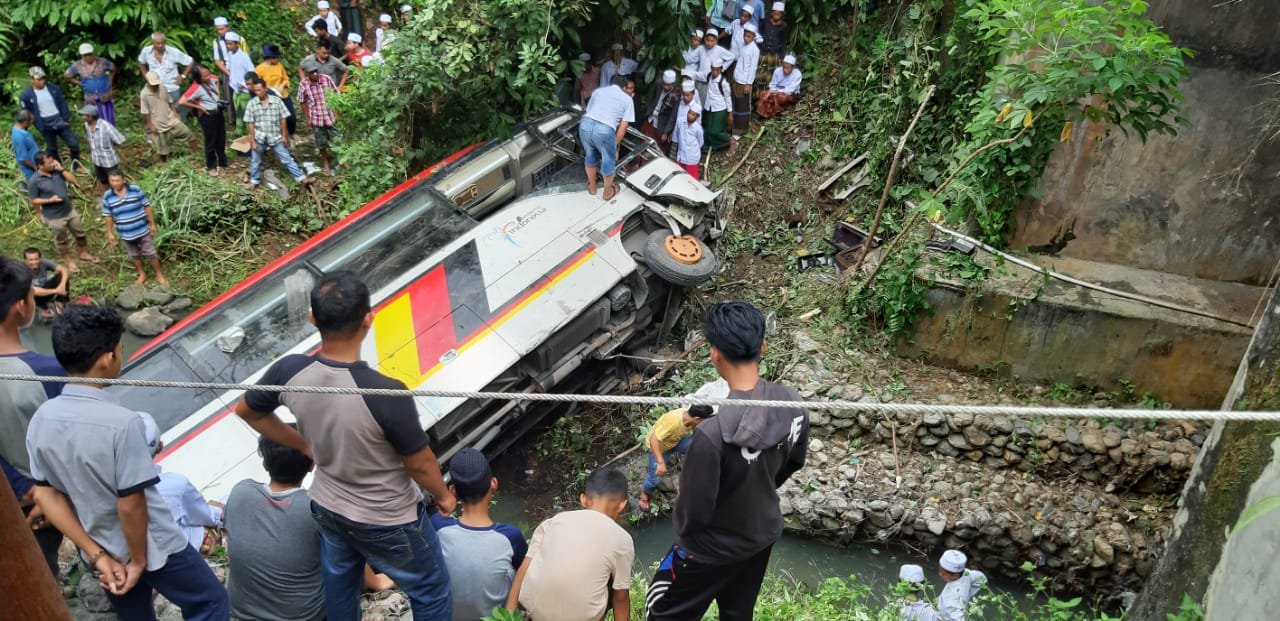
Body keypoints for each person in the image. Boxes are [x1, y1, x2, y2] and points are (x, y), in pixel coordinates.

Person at [234, 270, 455, 620]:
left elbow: (247, 410)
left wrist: (305, 445)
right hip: (388, 517)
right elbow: (419, 464)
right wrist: (443, 496)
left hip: (329, 505)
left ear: (312, 318)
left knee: (340, 583)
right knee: (432, 591)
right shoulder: (386, 391)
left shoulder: (290, 371)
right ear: (368, 318)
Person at [26, 305, 230, 620]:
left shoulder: (42, 419)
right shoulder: (122, 423)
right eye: (121, 349)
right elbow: (131, 504)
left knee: (134, 614)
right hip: (153, 545)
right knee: (211, 601)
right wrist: (138, 561)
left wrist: (98, 556)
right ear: (108, 358)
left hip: (100, 545)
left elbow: (46, 494)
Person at [645, 301, 810, 620]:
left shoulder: (711, 434)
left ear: (714, 353)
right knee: (736, 612)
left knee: (661, 611)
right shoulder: (792, 403)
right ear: (762, 346)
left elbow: (695, 511)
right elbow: (793, 462)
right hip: (760, 535)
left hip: (708, 550)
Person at [0, 256, 67, 576]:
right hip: (43, 504)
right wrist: (37, 491)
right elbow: (71, 447)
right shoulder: (45, 372)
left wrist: (22, 486)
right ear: (19, 307)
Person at [223, 430, 325, 621]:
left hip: (242, 612)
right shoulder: (314, 507)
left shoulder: (241, 492)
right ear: (312, 464)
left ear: (264, 463)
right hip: (304, 616)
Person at [507, 468, 633, 621]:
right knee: (615, 582)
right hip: (583, 617)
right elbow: (621, 598)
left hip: (536, 613)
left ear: (583, 499)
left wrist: (508, 615)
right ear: (622, 505)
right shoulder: (622, 539)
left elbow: (523, 570)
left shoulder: (553, 521)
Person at [431, 448, 528, 621]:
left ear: (453, 491)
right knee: (521, 564)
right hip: (493, 616)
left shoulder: (438, 525)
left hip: (450, 615)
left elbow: (439, 517)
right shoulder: (510, 536)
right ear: (494, 483)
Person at [135, 412, 219, 553]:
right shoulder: (175, 485)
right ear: (159, 447)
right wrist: (219, 513)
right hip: (184, 551)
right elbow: (206, 517)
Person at [28, 152, 98, 273]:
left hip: (69, 210)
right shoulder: (34, 181)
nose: (52, 164)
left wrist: (62, 170)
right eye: (49, 163)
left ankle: (83, 253)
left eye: (52, 161)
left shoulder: (57, 171)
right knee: (61, 239)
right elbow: (33, 200)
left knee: (80, 233)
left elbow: (73, 180)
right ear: (40, 166)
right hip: (54, 216)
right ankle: (69, 261)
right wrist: (49, 201)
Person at [639, 401, 713, 511]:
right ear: (697, 418)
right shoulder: (673, 421)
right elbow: (653, 440)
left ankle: (694, 470)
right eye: (703, 420)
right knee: (655, 479)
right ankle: (644, 494)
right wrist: (660, 463)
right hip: (660, 448)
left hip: (675, 442)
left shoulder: (689, 419)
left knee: (698, 446)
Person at [243, 79, 313, 190]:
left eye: (259, 90)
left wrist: (284, 136)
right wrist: (252, 141)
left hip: (275, 136)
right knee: (255, 160)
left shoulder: (277, 101)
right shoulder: (252, 104)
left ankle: (301, 178)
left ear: (265, 89)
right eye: (255, 91)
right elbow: (250, 123)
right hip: (259, 137)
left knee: (286, 158)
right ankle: (254, 181)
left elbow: (283, 119)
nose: (257, 93)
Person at [102, 169, 168, 286]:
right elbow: (108, 215)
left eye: (117, 181)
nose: (115, 183)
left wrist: (152, 224)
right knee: (134, 254)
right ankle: (142, 274)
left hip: (142, 229)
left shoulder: (135, 189)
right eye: (112, 181)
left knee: (151, 252)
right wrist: (110, 233)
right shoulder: (107, 196)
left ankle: (159, 274)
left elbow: (147, 206)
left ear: (124, 180)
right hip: (125, 233)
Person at [579, 75, 636, 201]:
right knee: (608, 160)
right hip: (604, 129)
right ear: (625, 87)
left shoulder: (598, 91)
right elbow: (623, 126)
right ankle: (607, 193)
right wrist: (614, 145)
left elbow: (590, 111)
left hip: (585, 124)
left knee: (590, 155)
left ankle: (592, 188)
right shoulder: (627, 99)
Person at [19, 67, 81, 169]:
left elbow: (62, 103)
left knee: (74, 144)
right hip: (45, 124)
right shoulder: (26, 95)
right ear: (32, 79)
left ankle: (76, 165)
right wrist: (37, 124)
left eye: (43, 79)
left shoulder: (53, 88)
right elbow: (26, 112)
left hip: (59, 121)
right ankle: (58, 167)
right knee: (52, 149)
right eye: (39, 79)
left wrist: (65, 119)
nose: (42, 82)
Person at [179, 63, 230, 175]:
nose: (208, 77)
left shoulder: (211, 78)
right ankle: (211, 166)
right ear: (198, 77)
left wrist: (216, 92)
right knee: (210, 141)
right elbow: (181, 101)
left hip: (218, 112)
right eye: (205, 76)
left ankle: (222, 161)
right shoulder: (195, 87)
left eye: (208, 74)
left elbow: (216, 78)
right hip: (208, 115)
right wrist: (198, 107)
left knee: (221, 137)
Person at [297, 60, 341, 176]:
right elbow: (302, 102)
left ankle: (342, 160)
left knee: (337, 139)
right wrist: (307, 118)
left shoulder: (326, 79)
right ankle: (325, 162)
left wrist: (336, 113)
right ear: (307, 74)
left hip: (330, 115)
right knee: (321, 143)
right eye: (312, 73)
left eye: (316, 71)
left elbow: (336, 95)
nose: (315, 74)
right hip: (316, 118)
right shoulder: (304, 84)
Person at [137, 32, 194, 120]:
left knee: (177, 109)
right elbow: (141, 62)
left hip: (172, 86)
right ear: (153, 43)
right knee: (159, 111)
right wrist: (146, 76)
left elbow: (190, 62)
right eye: (158, 43)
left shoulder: (173, 52)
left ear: (165, 42)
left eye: (162, 43)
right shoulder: (146, 51)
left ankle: (181, 127)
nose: (160, 45)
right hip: (156, 87)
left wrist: (183, 76)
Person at [140, 71, 193, 161]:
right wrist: (151, 125)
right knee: (162, 148)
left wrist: (175, 113)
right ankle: (164, 163)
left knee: (189, 134)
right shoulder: (144, 94)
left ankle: (194, 155)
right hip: (158, 123)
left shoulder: (162, 87)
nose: (155, 86)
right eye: (153, 84)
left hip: (171, 118)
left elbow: (170, 101)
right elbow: (146, 112)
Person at [65, 43, 117, 124]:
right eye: (85, 55)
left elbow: (113, 68)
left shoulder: (102, 61)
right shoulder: (78, 65)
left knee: (108, 119)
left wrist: (109, 81)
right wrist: (80, 83)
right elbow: (67, 75)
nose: (88, 57)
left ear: (93, 53)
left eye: (90, 54)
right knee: (93, 119)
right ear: (82, 56)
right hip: (90, 98)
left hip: (105, 96)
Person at [80, 104, 125, 195]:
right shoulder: (86, 126)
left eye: (85, 115)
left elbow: (120, 140)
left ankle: (119, 197)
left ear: (91, 116)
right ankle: (106, 197)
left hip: (109, 161)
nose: (83, 117)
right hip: (97, 160)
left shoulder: (105, 126)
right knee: (102, 180)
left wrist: (112, 149)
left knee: (115, 181)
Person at [729, 24, 760, 154]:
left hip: (744, 82)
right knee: (735, 103)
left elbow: (752, 68)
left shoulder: (754, 50)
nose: (746, 38)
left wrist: (748, 83)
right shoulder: (744, 47)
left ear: (753, 37)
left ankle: (741, 129)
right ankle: (734, 126)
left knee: (742, 106)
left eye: (749, 36)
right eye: (745, 35)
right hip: (737, 79)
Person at [255, 45, 296, 138]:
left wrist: (282, 86)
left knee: (291, 117)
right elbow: (258, 85)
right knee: (276, 118)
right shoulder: (259, 69)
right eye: (277, 57)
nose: (279, 59)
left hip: (283, 94)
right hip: (271, 97)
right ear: (270, 58)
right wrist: (270, 88)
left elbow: (286, 79)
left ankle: (292, 133)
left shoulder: (279, 66)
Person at [938, 549, 987, 621]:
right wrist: (970, 593)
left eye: (943, 573)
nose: (939, 574)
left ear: (955, 575)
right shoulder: (967, 573)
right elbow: (983, 579)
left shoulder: (954, 599)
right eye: (939, 570)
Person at [222, 32, 257, 132]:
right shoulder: (230, 54)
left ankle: (249, 132)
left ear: (237, 44)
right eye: (227, 44)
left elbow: (251, 71)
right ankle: (240, 131)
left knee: (246, 111)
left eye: (230, 44)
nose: (228, 46)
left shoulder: (244, 56)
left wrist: (243, 83)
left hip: (244, 89)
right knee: (239, 111)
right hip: (235, 88)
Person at [23, 248, 71, 318]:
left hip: (45, 290)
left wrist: (62, 286)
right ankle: (41, 307)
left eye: (36, 259)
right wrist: (56, 290)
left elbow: (64, 270)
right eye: (31, 260)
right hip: (32, 298)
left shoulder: (44, 262)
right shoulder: (21, 271)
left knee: (62, 276)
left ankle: (59, 301)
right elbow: (33, 291)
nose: (34, 262)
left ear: (40, 258)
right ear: (26, 261)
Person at [642, 70, 681, 155]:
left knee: (659, 150)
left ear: (672, 84)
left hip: (661, 126)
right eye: (664, 84)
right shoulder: (658, 86)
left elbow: (673, 116)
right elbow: (652, 99)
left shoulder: (676, 94)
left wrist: (666, 132)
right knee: (645, 145)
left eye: (668, 85)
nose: (665, 87)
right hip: (651, 119)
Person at [703, 57, 733, 151]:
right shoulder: (708, 76)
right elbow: (697, 75)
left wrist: (730, 113)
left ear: (720, 70)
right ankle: (710, 146)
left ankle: (730, 141)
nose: (714, 72)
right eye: (713, 69)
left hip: (720, 108)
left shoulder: (723, 83)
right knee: (707, 130)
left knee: (715, 131)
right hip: (709, 107)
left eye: (717, 70)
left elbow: (728, 98)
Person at [674, 102, 706, 181]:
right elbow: (677, 134)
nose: (690, 115)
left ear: (697, 116)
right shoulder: (680, 121)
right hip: (681, 155)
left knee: (692, 180)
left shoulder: (698, 129)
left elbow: (700, 143)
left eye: (693, 114)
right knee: (680, 178)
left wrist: (691, 149)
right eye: (689, 113)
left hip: (691, 157)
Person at [12, 110, 40, 185]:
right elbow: (23, 158)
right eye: (31, 121)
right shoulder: (18, 136)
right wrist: (36, 167)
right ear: (25, 122)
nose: (32, 123)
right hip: (31, 172)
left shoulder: (22, 130)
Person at [759, 2, 788, 71]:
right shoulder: (765, 21)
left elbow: (783, 40)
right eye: (775, 14)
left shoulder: (783, 26)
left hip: (774, 52)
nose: (776, 16)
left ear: (782, 15)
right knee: (759, 69)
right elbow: (760, 31)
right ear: (771, 13)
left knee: (769, 71)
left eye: (778, 14)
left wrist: (781, 55)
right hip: (763, 49)